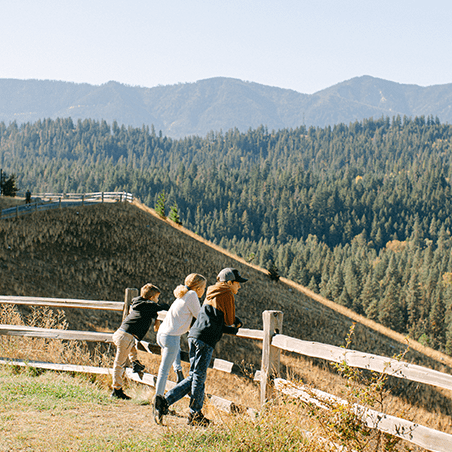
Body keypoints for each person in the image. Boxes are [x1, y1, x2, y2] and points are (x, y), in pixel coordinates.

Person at [153, 267, 246, 426]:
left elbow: (211, 316)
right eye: (237, 283)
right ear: (229, 282)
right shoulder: (227, 293)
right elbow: (229, 320)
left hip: (194, 335)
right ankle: (194, 414)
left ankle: (165, 402)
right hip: (206, 339)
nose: (240, 286)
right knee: (199, 377)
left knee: (195, 376)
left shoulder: (211, 292)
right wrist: (237, 322)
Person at [111, 283, 169, 400]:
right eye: (156, 298)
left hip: (122, 334)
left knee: (131, 346)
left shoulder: (138, 303)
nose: (157, 301)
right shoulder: (148, 305)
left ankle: (135, 363)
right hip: (126, 336)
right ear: (151, 298)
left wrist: (156, 317)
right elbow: (162, 307)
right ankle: (116, 390)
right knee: (119, 364)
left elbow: (153, 309)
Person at [154, 273, 206, 400]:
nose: (204, 291)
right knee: (164, 371)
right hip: (170, 337)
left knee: (164, 369)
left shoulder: (182, 295)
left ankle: (177, 375)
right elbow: (199, 316)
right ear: (198, 287)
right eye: (204, 287)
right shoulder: (192, 295)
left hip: (163, 334)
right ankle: (158, 401)